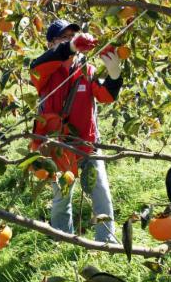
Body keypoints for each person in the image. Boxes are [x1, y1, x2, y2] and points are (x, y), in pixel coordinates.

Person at [29, 20, 123, 243]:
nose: (72, 40)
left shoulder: (87, 71)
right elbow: (37, 66)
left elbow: (105, 96)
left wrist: (115, 76)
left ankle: (107, 242)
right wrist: (69, 48)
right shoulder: (44, 72)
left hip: (87, 144)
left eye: (75, 36)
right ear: (51, 43)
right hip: (58, 149)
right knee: (62, 198)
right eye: (65, 37)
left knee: (101, 194)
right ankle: (63, 240)